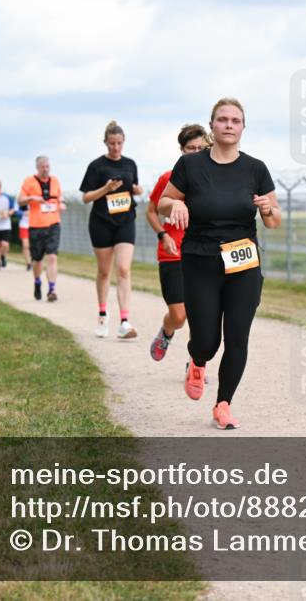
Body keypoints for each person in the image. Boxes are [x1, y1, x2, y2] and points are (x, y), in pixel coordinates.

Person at [157, 98, 280, 430]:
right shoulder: (191, 166)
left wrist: (267, 208)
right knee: (207, 341)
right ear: (212, 126)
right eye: (223, 119)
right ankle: (197, 360)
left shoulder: (256, 168)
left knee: (238, 337)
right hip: (201, 261)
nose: (229, 125)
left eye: (235, 120)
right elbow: (164, 201)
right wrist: (175, 207)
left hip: (243, 263)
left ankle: (223, 404)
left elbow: (273, 221)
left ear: (243, 127)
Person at [147, 123, 210, 362]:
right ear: (181, 150)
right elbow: (152, 211)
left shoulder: (212, 180)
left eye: (200, 148)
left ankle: (195, 364)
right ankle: (167, 331)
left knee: (201, 314)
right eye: (190, 148)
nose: (195, 153)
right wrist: (162, 235)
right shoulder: (169, 178)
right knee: (179, 315)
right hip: (173, 253)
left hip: (203, 252)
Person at [80, 121, 144, 339]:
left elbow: (133, 187)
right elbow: (86, 197)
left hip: (126, 219)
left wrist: (136, 190)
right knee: (104, 271)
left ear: (124, 142)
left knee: (124, 269)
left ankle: (125, 321)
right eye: (111, 144)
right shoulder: (96, 166)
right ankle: (102, 314)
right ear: (105, 143)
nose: (115, 148)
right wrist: (106, 188)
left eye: (119, 143)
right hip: (101, 222)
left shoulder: (130, 164)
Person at [19, 155, 65, 302]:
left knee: (52, 257)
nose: (45, 169)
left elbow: (60, 197)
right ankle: (37, 282)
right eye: (43, 167)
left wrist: (62, 203)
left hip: (53, 224)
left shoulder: (55, 181)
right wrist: (32, 198)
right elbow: (20, 200)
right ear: (37, 168)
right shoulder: (29, 181)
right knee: (37, 260)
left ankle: (52, 289)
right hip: (36, 226)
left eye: (47, 166)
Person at [17, 203, 32, 270]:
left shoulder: (37, 199)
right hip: (24, 225)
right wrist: (24, 213)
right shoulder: (21, 200)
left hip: (35, 225)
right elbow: (16, 212)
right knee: (25, 245)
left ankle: (33, 261)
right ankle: (28, 263)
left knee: (34, 246)